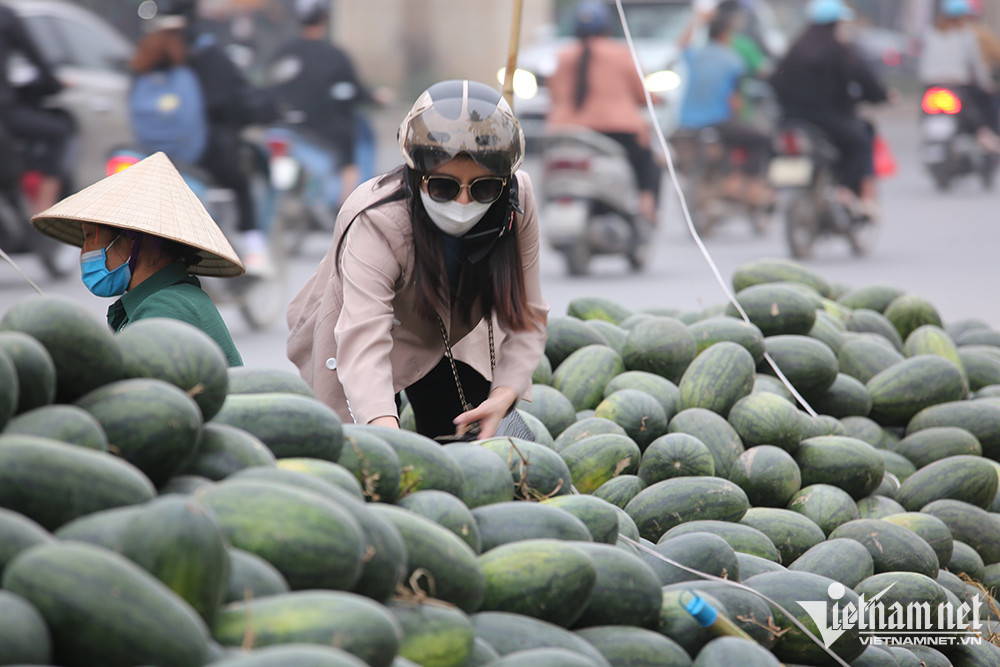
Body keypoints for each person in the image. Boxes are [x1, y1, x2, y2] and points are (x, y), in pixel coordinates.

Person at [287, 80, 548, 440]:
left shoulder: (518, 201)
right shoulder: (376, 218)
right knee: (363, 462)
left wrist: (503, 395)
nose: (463, 204)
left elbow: (527, 315)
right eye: (443, 186)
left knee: (467, 450)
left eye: (483, 187)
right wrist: (388, 437)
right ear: (416, 174)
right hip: (353, 332)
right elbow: (363, 340)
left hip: (451, 329)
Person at [30, 151, 245, 367]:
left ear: (133, 241)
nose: (84, 252)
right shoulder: (163, 299)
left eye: (89, 238)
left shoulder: (165, 308)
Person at [131, 0, 276, 275]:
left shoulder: (148, 51)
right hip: (202, 154)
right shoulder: (205, 52)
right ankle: (254, 249)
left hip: (150, 151)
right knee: (240, 183)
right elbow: (228, 101)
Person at [770, 0, 889, 218]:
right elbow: (868, 83)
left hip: (791, 119)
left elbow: (774, 82)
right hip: (830, 121)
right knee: (861, 142)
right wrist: (882, 96)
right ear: (836, 23)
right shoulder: (841, 50)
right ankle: (848, 190)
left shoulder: (795, 49)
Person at [546, 1, 661, 224]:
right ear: (607, 27)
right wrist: (657, 99)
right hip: (618, 132)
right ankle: (646, 207)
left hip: (567, 132)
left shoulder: (563, 56)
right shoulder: (621, 54)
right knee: (649, 160)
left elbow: (554, 95)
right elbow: (643, 94)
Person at [266, 0, 385, 208]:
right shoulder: (335, 56)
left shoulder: (283, 51)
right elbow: (355, 91)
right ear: (325, 19)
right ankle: (348, 205)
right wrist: (375, 97)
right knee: (352, 149)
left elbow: (269, 83)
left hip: (284, 126)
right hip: (323, 132)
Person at [676, 4, 773, 208]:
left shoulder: (696, 55)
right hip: (718, 121)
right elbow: (734, 100)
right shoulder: (733, 60)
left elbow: (680, 44)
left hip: (687, 122)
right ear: (725, 35)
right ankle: (739, 180)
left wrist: (697, 20)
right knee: (759, 138)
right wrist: (739, 117)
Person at [0, 2, 74, 215]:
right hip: (5, 112)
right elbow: (38, 61)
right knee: (59, 132)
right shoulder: (6, 16)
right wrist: (55, 84)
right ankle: (43, 211)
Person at [918, 0, 1000, 147]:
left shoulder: (930, 32)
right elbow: (976, 65)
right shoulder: (967, 35)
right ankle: (986, 135)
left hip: (931, 85)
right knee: (983, 105)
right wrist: (986, 84)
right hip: (958, 85)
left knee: (924, 110)